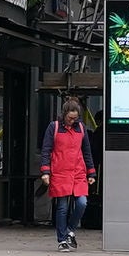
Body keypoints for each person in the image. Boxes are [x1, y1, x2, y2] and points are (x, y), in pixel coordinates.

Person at [41, 100, 93, 247]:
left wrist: (91, 173)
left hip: (78, 171)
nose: (72, 121)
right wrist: (45, 171)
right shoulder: (54, 127)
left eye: (75, 118)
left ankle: (70, 230)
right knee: (62, 207)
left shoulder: (81, 128)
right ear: (64, 114)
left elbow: (87, 151)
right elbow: (46, 150)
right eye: (70, 118)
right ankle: (62, 239)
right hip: (60, 171)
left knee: (82, 203)